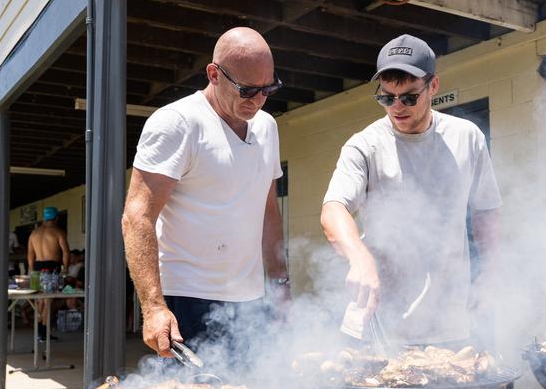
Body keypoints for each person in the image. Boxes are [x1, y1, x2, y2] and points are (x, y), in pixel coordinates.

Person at [122, 27, 289, 367]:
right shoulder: (177, 123)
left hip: (252, 300)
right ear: (214, 74)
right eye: (247, 90)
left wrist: (280, 283)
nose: (257, 100)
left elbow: (268, 210)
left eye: (267, 89)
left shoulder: (267, 127)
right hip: (187, 301)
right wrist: (154, 308)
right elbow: (137, 216)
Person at [322, 34, 501, 349]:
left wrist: (490, 272)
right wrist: (359, 258)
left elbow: (486, 210)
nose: (397, 107)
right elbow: (333, 210)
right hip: (377, 327)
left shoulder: (467, 138)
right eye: (387, 98)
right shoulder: (364, 145)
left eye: (408, 97)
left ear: (433, 87)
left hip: (449, 325)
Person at [27, 206, 70, 340]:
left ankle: (39, 332)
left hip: (37, 267)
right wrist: (65, 269)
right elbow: (66, 252)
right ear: (56, 218)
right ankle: (43, 333)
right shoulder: (58, 232)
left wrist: (32, 270)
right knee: (48, 301)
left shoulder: (34, 233)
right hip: (52, 268)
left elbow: (30, 254)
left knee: (40, 301)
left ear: (44, 218)